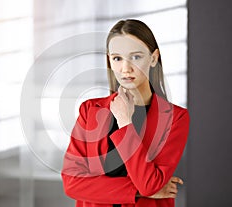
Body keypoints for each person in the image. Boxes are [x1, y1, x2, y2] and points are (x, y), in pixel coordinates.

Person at [61, 19, 190, 207]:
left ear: (153, 58)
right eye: (117, 58)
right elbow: (72, 183)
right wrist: (136, 191)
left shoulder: (175, 118)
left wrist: (125, 122)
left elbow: (149, 185)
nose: (125, 69)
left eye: (136, 57)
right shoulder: (89, 110)